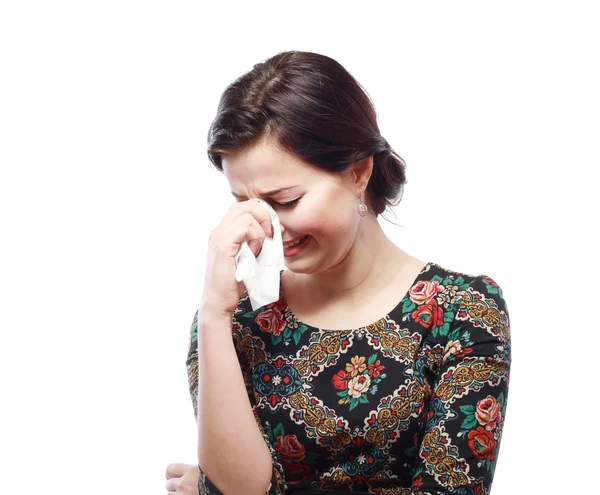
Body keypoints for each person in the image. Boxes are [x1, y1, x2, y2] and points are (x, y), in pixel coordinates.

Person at [166, 51, 511, 495]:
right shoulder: (231, 321)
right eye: (245, 204)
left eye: (286, 201)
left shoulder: (464, 311)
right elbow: (241, 488)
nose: (267, 229)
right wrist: (214, 313)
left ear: (358, 172)